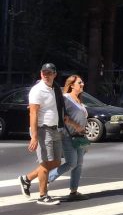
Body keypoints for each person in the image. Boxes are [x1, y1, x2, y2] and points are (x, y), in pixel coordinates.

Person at [18, 63, 82, 205]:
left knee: (57, 162)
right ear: (41, 74)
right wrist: (34, 136)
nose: (46, 75)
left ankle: (26, 179)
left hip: (55, 129)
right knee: (46, 163)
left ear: (54, 74)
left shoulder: (55, 89)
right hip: (42, 129)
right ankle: (42, 195)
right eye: (43, 73)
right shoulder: (37, 90)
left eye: (49, 73)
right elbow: (33, 113)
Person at [48, 74, 90, 200]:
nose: (82, 84)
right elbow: (64, 118)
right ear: (71, 85)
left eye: (82, 82)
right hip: (68, 136)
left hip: (80, 137)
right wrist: (76, 125)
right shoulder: (66, 98)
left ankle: (74, 191)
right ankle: (46, 179)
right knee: (71, 163)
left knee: (79, 164)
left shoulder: (79, 100)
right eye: (79, 83)